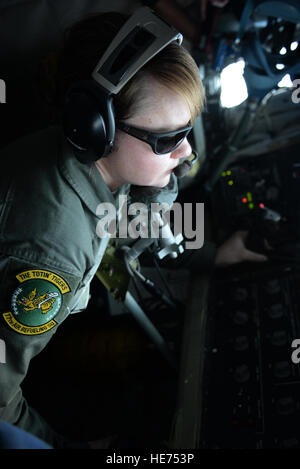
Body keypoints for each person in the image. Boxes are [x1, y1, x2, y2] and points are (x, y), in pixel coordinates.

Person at [0, 7, 266, 449]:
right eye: (167, 140)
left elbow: (120, 220)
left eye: (186, 132)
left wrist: (213, 254)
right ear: (95, 128)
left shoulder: (91, 164)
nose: (187, 153)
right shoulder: (49, 256)